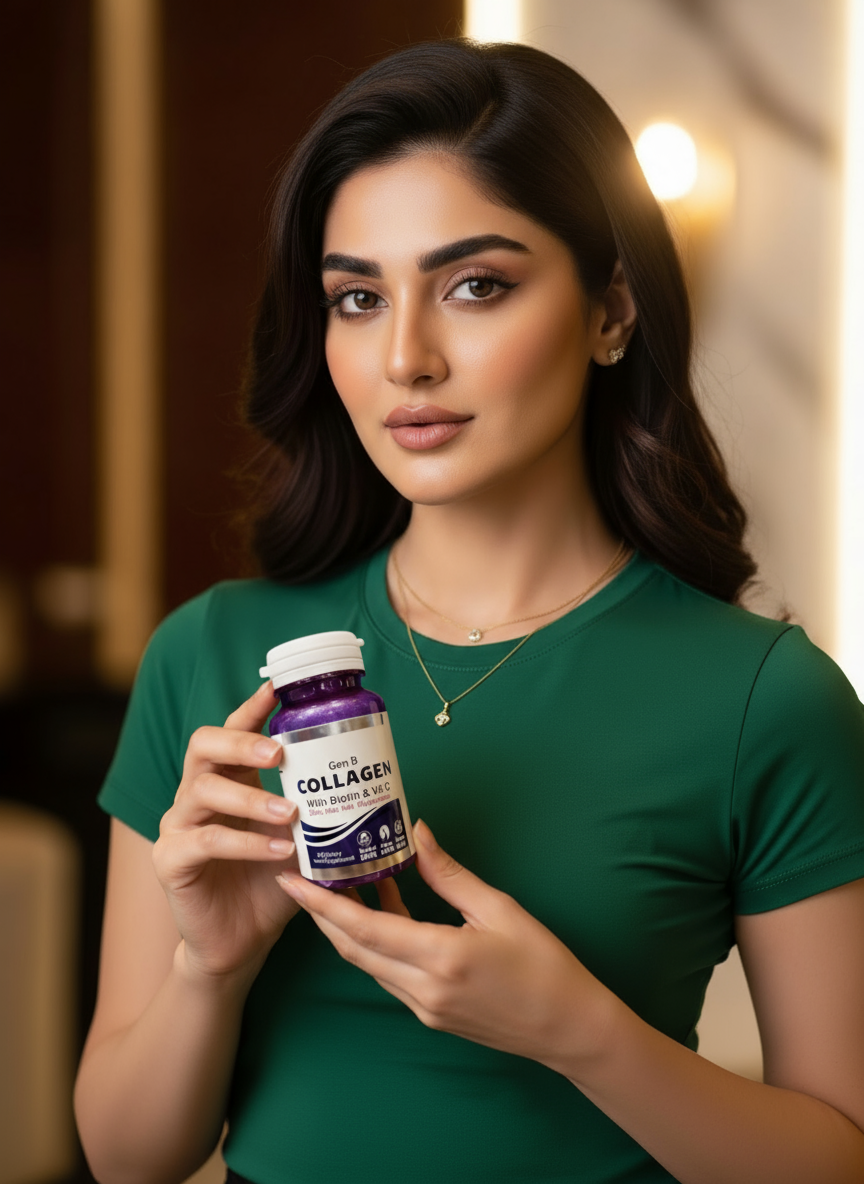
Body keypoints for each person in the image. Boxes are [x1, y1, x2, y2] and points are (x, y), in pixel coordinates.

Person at [74, 39, 864, 1184]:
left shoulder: (766, 698)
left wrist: (581, 1032)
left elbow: (839, 1156)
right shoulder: (214, 652)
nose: (406, 357)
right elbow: (124, 1157)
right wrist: (212, 965)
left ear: (611, 311)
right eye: (358, 297)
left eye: (475, 285)